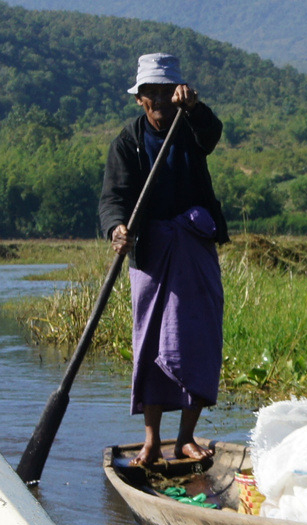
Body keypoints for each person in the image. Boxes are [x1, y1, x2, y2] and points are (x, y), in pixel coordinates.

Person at [99, 53, 228, 466]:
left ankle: (186, 438)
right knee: (151, 341)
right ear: (139, 99)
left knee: (199, 337)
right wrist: (118, 228)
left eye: (164, 92)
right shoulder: (127, 142)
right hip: (152, 251)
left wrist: (194, 109)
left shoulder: (189, 126)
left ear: (176, 94)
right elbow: (114, 198)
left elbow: (212, 134)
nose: (158, 101)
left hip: (193, 243)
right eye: (149, 94)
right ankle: (152, 440)